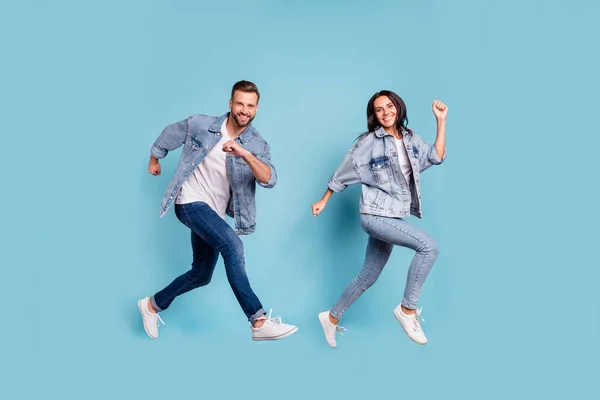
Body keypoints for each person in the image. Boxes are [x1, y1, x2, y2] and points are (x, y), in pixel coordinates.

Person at [138, 80, 298, 341]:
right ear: (230, 104)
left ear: (256, 109)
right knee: (233, 246)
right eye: (240, 104)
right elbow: (170, 134)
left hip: (213, 212)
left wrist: (244, 153)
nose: (244, 110)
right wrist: (155, 158)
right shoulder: (201, 125)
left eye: (250, 106)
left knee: (201, 274)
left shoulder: (257, 144)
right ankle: (258, 321)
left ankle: (151, 305)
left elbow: (269, 178)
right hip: (189, 201)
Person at [312, 90, 448, 347]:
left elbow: (435, 157)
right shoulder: (369, 142)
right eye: (379, 110)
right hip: (374, 215)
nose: (385, 113)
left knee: (368, 276)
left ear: (397, 107)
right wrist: (324, 199)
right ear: (373, 115)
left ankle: (330, 317)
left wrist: (440, 121)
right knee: (429, 247)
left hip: (393, 216)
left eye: (389, 106)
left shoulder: (410, 138)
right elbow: (343, 171)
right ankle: (407, 310)